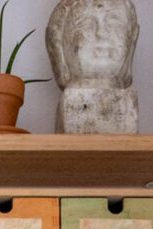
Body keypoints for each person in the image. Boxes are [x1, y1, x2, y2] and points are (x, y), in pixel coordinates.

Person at [46, 0, 139, 133]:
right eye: (87, 24)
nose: (102, 33)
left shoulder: (127, 104)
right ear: (58, 42)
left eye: (114, 23)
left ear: (132, 38)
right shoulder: (70, 99)